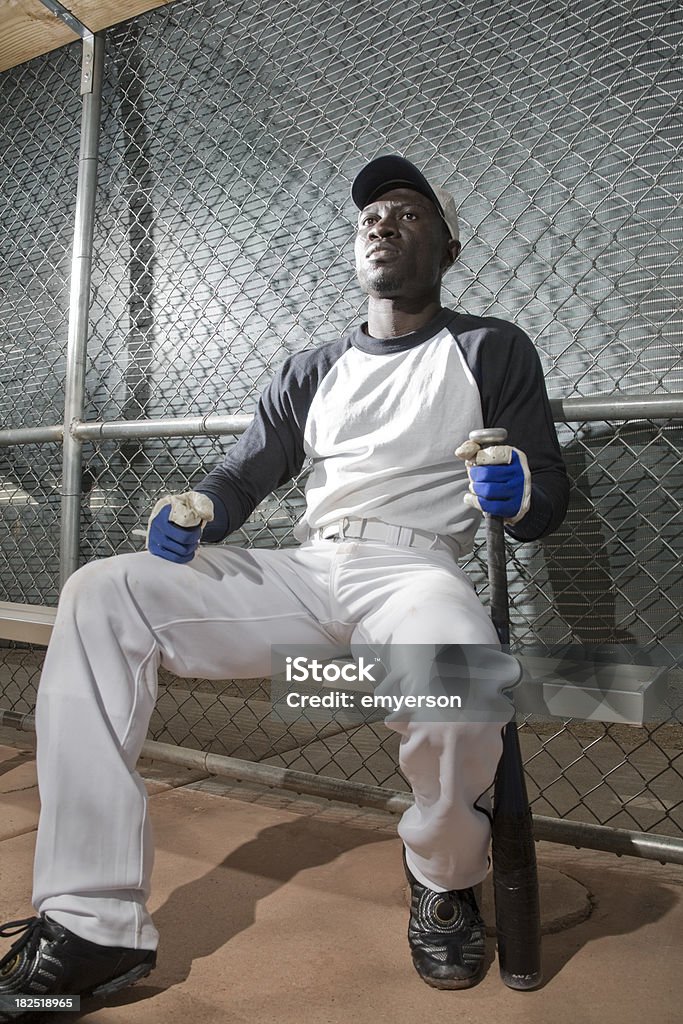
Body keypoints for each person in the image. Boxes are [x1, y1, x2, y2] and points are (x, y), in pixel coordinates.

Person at [0, 155, 569, 1011]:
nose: (382, 223)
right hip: (308, 568)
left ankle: (442, 875)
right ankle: (90, 924)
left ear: (447, 247)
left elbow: (542, 499)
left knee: (457, 671)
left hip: (416, 569)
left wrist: (516, 486)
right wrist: (196, 509)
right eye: (371, 214)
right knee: (102, 592)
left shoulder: (489, 346)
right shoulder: (311, 367)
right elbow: (241, 476)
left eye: (407, 214)